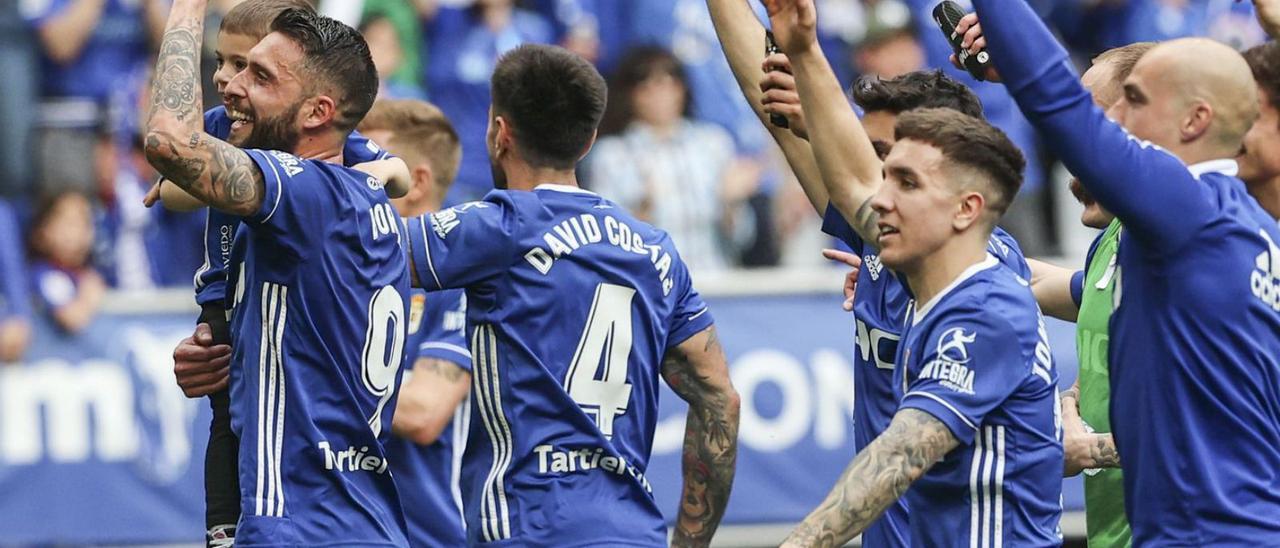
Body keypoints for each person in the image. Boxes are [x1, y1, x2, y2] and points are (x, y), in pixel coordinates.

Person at [706, 0, 1032, 544]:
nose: (878, 189)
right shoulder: (884, 246)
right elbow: (777, 114)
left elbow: (904, 454)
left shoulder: (982, 293)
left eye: (894, 167)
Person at [400, 44, 741, 546]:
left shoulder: (499, 227)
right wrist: (690, 541)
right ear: (588, 143)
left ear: (500, 133)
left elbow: (356, 251)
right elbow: (720, 400)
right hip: (631, 534)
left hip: (525, 529)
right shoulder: (656, 250)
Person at [971, 1, 1280, 544]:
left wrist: (1008, 31)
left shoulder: (1188, 208)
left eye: (1133, 101)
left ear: (1195, 120)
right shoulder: (1246, 229)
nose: (1113, 120)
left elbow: (1058, 103)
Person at [143, 1, 412, 544]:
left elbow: (169, 142)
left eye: (258, 74)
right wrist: (235, 351)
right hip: (365, 524)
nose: (232, 84)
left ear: (317, 112)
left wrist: (187, 9)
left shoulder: (308, 194)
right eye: (234, 66)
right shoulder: (364, 210)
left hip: (296, 525)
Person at [357, 98, 471, 547]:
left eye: (370, 163)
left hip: (428, 537)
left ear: (416, 181)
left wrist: (310, 372)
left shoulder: (460, 284)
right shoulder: (344, 273)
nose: (353, 176)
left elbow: (425, 412)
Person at [585, 46, 760, 273]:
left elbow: (743, 239)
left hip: (716, 282)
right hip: (656, 290)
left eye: (670, 82)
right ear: (629, 94)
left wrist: (731, 204)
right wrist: (640, 216)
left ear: (682, 89)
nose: (660, 94)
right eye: (646, 85)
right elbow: (603, 246)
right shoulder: (611, 156)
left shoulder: (713, 144)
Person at [26, 191, 106, 334]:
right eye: (70, 223)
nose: (79, 232)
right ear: (44, 231)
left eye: (85, 222)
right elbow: (71, 317)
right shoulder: (43, 274)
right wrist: (88, 297)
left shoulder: (88, 273)